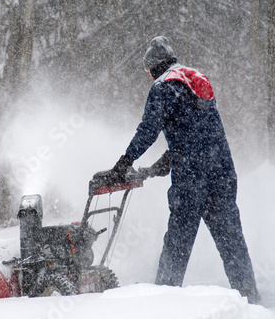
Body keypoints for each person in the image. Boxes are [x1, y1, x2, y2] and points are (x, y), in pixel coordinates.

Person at [112, 36, 261, 304]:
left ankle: (165, 302)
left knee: (178, 241)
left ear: (154, 66)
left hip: (192, 178)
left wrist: (125, 161)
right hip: (222, 171)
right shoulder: (196, 79)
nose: (148, 76)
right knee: (231, 241)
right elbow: (197, 132)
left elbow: (148, 130)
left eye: (147, 71)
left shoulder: (163, 86)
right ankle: (249, 298)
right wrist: (165, 162)